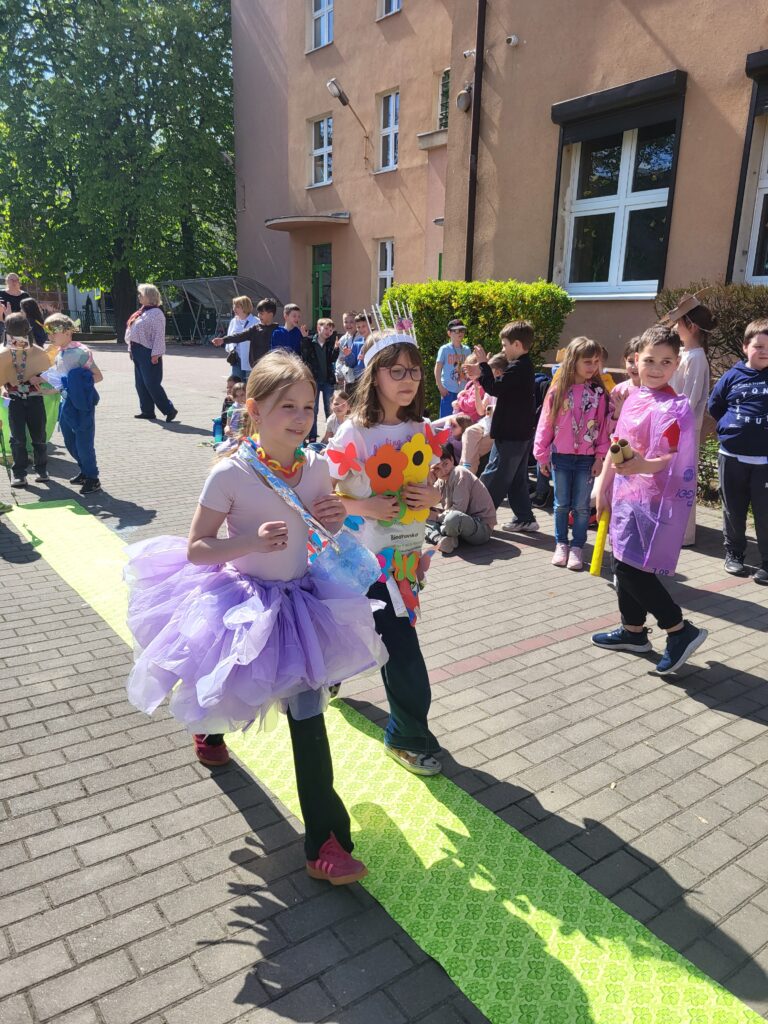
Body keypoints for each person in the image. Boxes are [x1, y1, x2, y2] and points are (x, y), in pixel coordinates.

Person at [124, 350, 387, 885]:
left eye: (308, 407)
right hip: (240, 603)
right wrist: (249, 541)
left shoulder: (318, 467)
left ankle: (326, 842)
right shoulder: (230, 474)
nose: (300, 417)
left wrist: (334, 518)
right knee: (221, 683)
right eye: (287, 406)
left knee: (308, 716)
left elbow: (322, 532)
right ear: (254, 408)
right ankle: (211, 734)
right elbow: (198, 548)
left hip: (300, 604)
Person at [326, 327, 442, 777]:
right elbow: (323, 498)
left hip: (405, 561)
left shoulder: (421, 428)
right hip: (362, 561)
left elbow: (432, 487)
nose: (407, 379)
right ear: (375, 375)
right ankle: (406, 737)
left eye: (414, 370)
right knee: (401, 648)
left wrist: (433, 496)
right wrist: (365, 506)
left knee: (370, 633)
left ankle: (326, 674)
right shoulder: (353, 432)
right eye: (396, 371)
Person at [591, 325, 707, 675]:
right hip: (626, 496)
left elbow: (673, 457)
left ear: (677, 364)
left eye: (666, 362)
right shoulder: (633, 398)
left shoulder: (676, 408)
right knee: (622, 562)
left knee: (631, 569)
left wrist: (644, 465)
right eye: (650, 360)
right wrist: (602, 485)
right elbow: (617, 444)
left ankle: (678, 629)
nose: (656, 368)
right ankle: (633, 631)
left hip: (654, 500)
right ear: (636, 360)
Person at [533, 337, 610, 571]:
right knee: (560, 505)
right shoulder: (557, 390)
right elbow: (546, 423)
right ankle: (561, 544)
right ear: (573, 361)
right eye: (587, 361)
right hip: (561, 456)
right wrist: (541, 454)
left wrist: (600, 456)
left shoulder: (598, 392)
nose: (592, 366)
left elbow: (603, 426)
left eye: (596, 361)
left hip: (587, 458)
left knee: (582, 506)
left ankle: (577, 546)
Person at [708, 318, 768, 584]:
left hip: (764, 461)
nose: (764, 352)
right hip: (731, 458)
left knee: (765, 513)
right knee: (733, 509)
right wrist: (730, 428)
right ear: (745, 347)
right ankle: (734, 554)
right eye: (759, 346)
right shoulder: (732, 376)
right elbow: (715, 406)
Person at [467, 321, 539, 533]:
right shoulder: (524, 366)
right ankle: (525, 518)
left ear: (517, 344)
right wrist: (482, 370)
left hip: (511, 434)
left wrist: (483, 365)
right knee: (516, 479)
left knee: (494, 475)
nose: (503, 349)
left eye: (505, 345)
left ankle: (479, 518)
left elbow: (495, 388)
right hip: (519, 433)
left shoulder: (518, 368)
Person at [668, 298, 714, 546]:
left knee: (683, 478)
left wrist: (672, 420)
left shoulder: (696, 357)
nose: (676, 327)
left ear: (692, 326)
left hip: (683, 428)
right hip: (673, 425)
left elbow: (689, 398)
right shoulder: (685, 354)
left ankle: (683, 533)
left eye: (680, 323)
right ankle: (671, 525)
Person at [45, 313, 104, 494]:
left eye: (53, 332)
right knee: (69, 440)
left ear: (67, 332)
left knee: (84, 443)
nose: (50, 336)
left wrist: (74, 383)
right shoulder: (59, 352)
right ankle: (84, 470)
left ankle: (93, 478)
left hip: (82, 404)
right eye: (48, 332)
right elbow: (61, 379)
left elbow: (98, 376)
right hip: (66, 402)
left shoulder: (80, 352)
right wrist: (52, 388)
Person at [0, 312, 50, 487]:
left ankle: (41, 469)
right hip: (14, 399)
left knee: (39, 436)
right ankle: (19, 474)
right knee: (17, 438)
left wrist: (40, 378)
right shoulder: (4, 352)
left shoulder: (38, 352)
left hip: (35, 398)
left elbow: (51, 374)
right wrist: (3, 389)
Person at [426, 444, 496, 553]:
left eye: (445, 464)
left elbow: (459, 510)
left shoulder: (459, 472)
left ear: (452, 459)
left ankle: (440, 535)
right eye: (437, 468)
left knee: (452, 518)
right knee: (423, 513)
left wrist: (437, 517)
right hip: (458, 526)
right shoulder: (441, 481)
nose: (443, 470)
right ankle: (443, 540)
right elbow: (428, 502)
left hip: (480, 528)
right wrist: (429, 482)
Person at [125, 283, 178, 423]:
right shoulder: (142, 312)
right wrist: (130, 349)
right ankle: (147, 411)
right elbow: (132, 332)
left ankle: (169, 409)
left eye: (141, 294)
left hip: (148, 351)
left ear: (149, 296)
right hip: (137, 350)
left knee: (151, 383)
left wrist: (156, 354)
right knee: (140, 383)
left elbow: (159, 335)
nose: (138, 296)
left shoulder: (156, 313)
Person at [459, 353, 506, 474]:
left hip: (497, 428)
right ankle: (465, 473)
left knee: (472, 449)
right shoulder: (490, 388)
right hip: (486, 424)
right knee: (468, 432)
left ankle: (465, 474)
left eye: (491, 371)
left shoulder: (505, 387)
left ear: (499, 372)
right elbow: (481, 411)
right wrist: (476, 390)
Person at [302, 318, 338, 443]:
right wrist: (305, 339)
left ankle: (330, 436)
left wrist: (336, 349)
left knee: (329, 409)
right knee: (314, 409)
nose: (328, 332)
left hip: (327, 380)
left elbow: (332, 359)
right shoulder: (309, 341)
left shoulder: (330, 342)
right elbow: (305, 356)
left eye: (331, 330)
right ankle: (312, 436)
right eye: (326, 328)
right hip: (315, 380)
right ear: (318, 328)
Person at [434, 319, 471, 418]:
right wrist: (440, 387)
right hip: (448, 391)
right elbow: (437, 368)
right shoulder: (444, 349)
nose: (460, 333)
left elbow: (469, 368)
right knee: (446, 420)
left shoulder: (467, 350)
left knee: (461, 420)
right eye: (456, 330)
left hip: (463, 392)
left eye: (462, 330)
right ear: (449, 333)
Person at [608, 337, 642, 430]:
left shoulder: (654, 390)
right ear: (625, 360)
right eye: (631, 361)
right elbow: (608, 428)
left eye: (639, 361)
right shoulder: (618, 391)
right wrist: (618, 412)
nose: (634, 367)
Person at [225, 296, 258, 381]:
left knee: (249, 384)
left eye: (237, 307)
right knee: (236, 384)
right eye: (233, 306)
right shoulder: (233, 321)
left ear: (245, 307)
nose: (234, 309)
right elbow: (229, 337)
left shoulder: (256, 321)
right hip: (236, 359)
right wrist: (231, 350)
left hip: (250, 360)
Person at [340, 312, 371, 394]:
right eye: (358, 327)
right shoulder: (357, 343)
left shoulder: (375, 341)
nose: (361, 329)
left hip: (370, 379)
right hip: (357, 379)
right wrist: (348, 355)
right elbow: (352, 364)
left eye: (363, 326)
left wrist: (367, 358)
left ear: (370, 325)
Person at [216, 381, 247, 453]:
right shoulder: (232, 409)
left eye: (242, 395)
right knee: (220, 451)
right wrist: (227, 429)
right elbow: (227, 425)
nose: (239, 398)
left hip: (245, 438)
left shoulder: (249, 408)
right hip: (233, 438)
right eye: (236, 396)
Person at [336, 312, 359, 386]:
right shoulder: (343, 339)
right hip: (347, 377)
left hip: (359, 375)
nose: (348, 325)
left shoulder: (361, 338)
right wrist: (339, 374)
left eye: (351, 322)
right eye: (345, 322)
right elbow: (339, 358)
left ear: (356, 323)